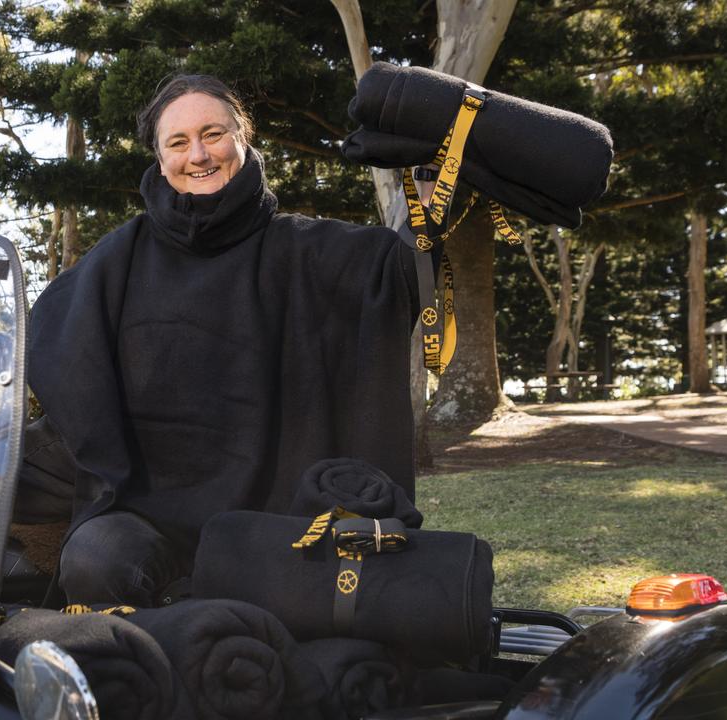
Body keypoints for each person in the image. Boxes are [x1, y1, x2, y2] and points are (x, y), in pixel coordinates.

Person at [23, 75, 430, 607]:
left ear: (243, 137)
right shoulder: (119, 259)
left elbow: (401, 272)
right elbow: (31, 335)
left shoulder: (307, 250)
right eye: (178, 142)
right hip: (148, 514)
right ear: (159, 156)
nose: (198, 155)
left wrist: (430, 189)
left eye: (213, 133)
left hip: (275, 520)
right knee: (96, 558)